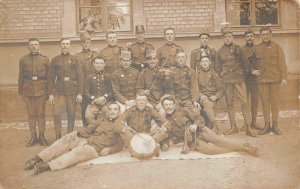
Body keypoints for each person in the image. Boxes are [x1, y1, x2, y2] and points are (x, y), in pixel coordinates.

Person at [24, 102, 123, 175]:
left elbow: (121, 143)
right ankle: (38, 158)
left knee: (76, 152)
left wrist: (110, 149)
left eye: (115, 109)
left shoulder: (121, 125)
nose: (112, 111)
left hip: (95, 149)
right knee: (67, 139)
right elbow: (89, 130)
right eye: (110, 109)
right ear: (107, 111)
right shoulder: (102, 120)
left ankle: (47, 166)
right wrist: (77, 133)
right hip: (87, 140)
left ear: (119, 112)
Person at [161, 95, 259, 156]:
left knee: (218, 140)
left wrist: (195, 125)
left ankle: (245, 147)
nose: (168, 107)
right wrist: (168, 143)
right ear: (163, 107)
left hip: (201, 130)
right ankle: (242, 148)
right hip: (193, 139)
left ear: (174, 105)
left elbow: (199, 118)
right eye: (166, 105)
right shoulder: (165, 120)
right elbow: (170, 136)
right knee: (209, 150)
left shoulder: (183, 110)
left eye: (170, 104)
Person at [215, 28, 257, 137]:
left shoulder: (239, 49)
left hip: (239, 80)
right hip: (227, 81)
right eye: (225, 37)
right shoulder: (220, 51)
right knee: (229, 103)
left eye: (230, 36)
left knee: (245, 102)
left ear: (232, 38)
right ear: (223, 38)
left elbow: (246, 64)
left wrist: (242, 75)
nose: (228, 38)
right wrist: (223, 75)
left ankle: (248, 127)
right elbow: (217, 67)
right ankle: (233, 127)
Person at [250, 26, 288, 135]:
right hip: (262, 81)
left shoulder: (277, 48)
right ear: (260, 36)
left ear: (271, 35)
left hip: (275, 79)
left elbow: (282, 64)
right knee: (265, 103)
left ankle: (275, 125)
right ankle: (267, 125)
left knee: (275, 103)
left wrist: (284, 78)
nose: (265, 36)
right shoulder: (256, 49)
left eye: (267, 34)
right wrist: (253, 70)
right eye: (263, 34)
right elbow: (250, 63)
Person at [48, 38, 84, 139]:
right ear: (60, 46)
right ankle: (58, 137)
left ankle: (69, 136)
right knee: (56, 114)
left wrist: (80, 93)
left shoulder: (75, 59)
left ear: (70, 46)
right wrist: (50, 94)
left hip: (72, 91)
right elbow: (50, 78)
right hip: (59, 92)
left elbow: (80, 77)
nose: (65, 46)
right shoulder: (55, 60)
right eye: (63, 44)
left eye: (67, 44)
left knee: (71, 114)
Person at [18, 38, 50, 147]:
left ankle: (42, 136)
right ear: (28, 47)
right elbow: (21, 76)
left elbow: (49, 78)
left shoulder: (45, 59)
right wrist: (20, 91)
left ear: (39, 46)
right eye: (31, 45)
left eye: (36, 44)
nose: (34, 46)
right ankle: (33, 137)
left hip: (41, 90)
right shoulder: (23, 60)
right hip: (28, 90)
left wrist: (49, 92)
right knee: (31, 114)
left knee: (41, 114)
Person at [75, 32, 100, 128]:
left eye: (88, 42)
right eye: (84, 42)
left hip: (94, 86)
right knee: (84, 109)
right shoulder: (77, 57)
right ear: (81, 43)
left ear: (91, 43)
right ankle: (86, 128)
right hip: (84, 87)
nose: (86, 44)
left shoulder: (96, 54)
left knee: (96, 108)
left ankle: (96, 129)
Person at [84, 56, 113, 129]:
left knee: (111, 116)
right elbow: (86, 92)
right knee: (88, 116)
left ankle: (106, 130)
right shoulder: (89, 76)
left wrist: (104, 97)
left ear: (104, 65)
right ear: (93, 64)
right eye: (97, 63)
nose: (99, 65)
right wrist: (94, 99)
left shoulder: (108, 76)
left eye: (101, 63)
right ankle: (97, 130)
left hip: (106, 102)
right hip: (94, 102)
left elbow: (112, 91)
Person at [196, 55, 224, 131]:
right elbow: (195, 88)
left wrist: (216, 96)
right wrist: (201, 95)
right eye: (203, 61)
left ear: (210, 63)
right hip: (201, 98)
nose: (204, 63)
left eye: (206, 61)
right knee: (205, 103)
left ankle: (211, 125)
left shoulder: (215, 74)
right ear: (200, 63)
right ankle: (214, 125)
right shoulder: (196, 74)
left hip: (212, 99)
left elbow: (221, 89)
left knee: (207, 104)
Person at [241, 29, 261, 130]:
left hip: (255, 79)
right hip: (244, 78)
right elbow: (242, 63)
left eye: (251, 36)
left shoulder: (258, 48)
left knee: (255, 100)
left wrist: (257, 71)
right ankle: (246, 123)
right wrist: (251, 70)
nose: (249, 38)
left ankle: (254, 122)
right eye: (247, 36)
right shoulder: (241, 49)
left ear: (254, 37)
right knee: (245, 101)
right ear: (245, 38)